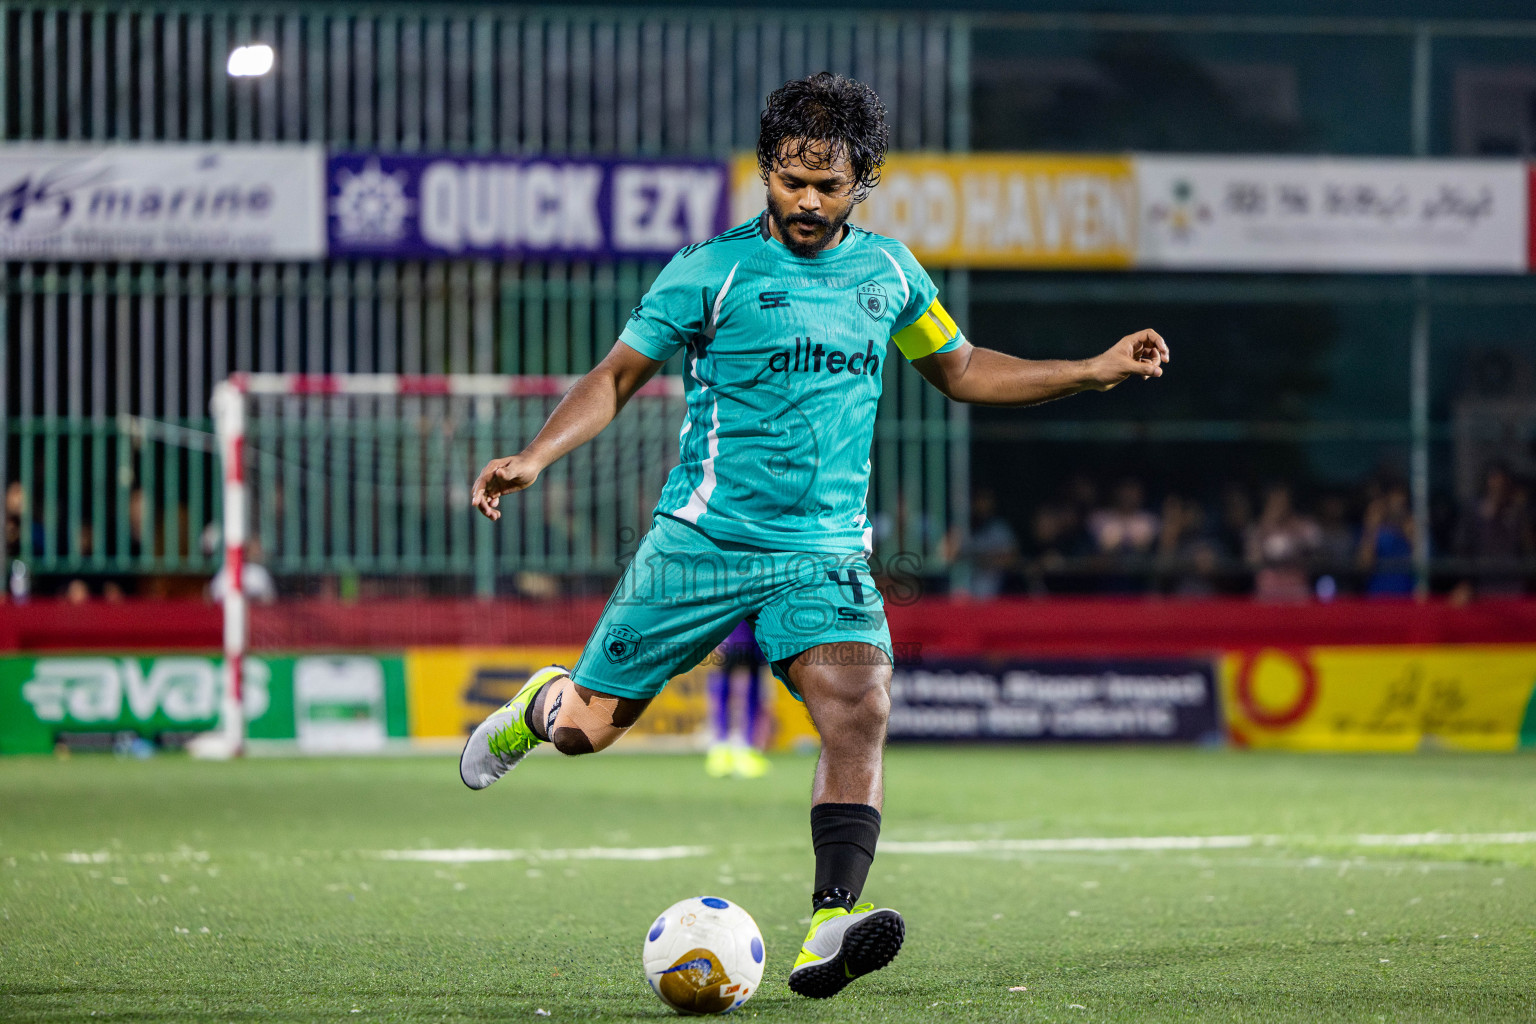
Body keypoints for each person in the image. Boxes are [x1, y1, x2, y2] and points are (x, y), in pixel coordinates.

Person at [459, 72, 1169, 1000]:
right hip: (700, 541)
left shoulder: (889, 272)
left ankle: (829, 923)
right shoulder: (709, 269)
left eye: (827, 184)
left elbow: (960, 370)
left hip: (823, 553)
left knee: (860, 704)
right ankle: (539, 706)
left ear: (862, 182)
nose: (806, 199)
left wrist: (1090, 370)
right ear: (766, 172)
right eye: (790, 179)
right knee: (587, 733)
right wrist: (536, 455)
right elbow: (615, 376)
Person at [704, 620, 771, 779]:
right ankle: (721, 748)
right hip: (733, 617)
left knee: (754, 676)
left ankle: (747, 748)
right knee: (726, 672)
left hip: (755, 620)